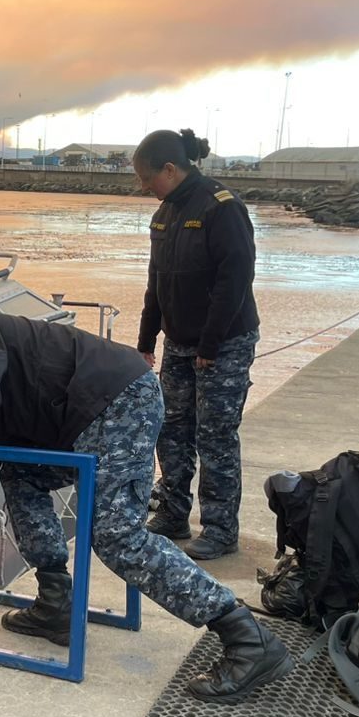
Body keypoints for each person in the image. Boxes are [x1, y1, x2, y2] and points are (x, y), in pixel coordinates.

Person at [0, 312, 291, 703]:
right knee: (21, 477)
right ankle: (55, 602)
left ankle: (244, 635)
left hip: (117, 401)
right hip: (86, 418)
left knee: (116, 536)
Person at [133, 128, 260, 560]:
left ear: (170, 169)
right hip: (179, 342)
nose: (143, 186)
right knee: (171, 429)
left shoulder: (220, 208)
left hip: (223, 343)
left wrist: (210, 344)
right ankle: (173, 512)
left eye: (147, 177)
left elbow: (236, 280)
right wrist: (147, 339)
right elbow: (157, 282)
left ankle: (221, 528)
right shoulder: (164, 214)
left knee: (215, 436)